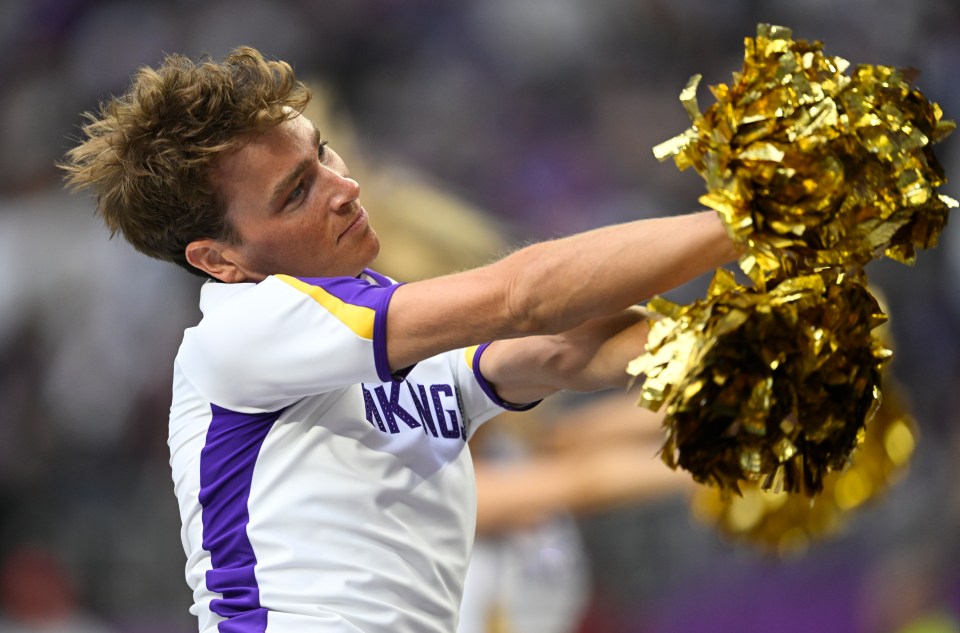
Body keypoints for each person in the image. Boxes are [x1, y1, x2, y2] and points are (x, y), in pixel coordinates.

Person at [60, 46, 735, 633]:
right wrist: (752, 213)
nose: (345, 187)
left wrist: (768, 333)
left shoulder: (371, 323)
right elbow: (521, 297)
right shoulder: (243, 329)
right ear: (219, 259)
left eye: (321, 152)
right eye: (297, 192)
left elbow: (565, 349)